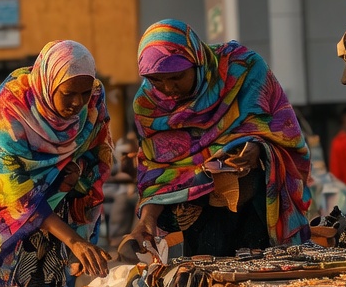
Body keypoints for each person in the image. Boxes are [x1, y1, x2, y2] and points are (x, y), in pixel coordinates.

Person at [128, 19, 311, 257]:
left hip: (256, 210)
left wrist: (257, 149)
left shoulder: (243, 70)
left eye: (177, 77)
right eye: (156, 80)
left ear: (197, 60)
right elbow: (158, 173)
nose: (168, 88)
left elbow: (280, 131)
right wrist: (147, 220)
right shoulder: (149, 106)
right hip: (200, 222)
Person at [0, 40, 113, 287]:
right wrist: (74, 241)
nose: (78, 103)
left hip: (57, 216)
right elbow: (12, 192)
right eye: (69, 93)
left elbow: (97, 157)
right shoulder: (11, 110)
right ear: (49, 83)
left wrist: (75, 176)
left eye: (84, 93)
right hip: (4, 223)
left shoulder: (94, 102)